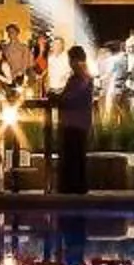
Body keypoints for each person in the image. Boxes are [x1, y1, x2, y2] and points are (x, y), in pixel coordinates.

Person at [53, 44, 96, 195]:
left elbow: (71, 98)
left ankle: (73, 187)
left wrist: (58, 98)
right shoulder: (81, 77)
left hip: (74, 123)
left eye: (71, 60)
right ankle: (74, 186)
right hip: (77, 122)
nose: (70, 63)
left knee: (73, 157)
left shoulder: (81, 77)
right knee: (75, 156)